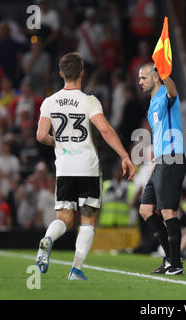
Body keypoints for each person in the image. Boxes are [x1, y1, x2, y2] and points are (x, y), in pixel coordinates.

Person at [35, 52, 134, 280]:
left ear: (61, 74)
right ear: (82, 73)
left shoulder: (49, 102)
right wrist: (124, 155)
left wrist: (56, 141)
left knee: (64, 219)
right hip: (87, 167)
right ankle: (76, 269)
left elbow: (41, 135)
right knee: (88, 220)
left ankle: (48, 239)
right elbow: (106, 130)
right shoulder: (89, 100)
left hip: (65, 167)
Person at [137, 63, 186, 275]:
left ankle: (175, 264)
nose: (140, 82)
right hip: (160, 161)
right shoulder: (152, 104)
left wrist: (165, 73)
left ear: (155, 77)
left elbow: (174, 91)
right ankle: (170, 258)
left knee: (168, 211)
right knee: (146, 209)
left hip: (173, 158)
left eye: (143, 78)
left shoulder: (166, 93)